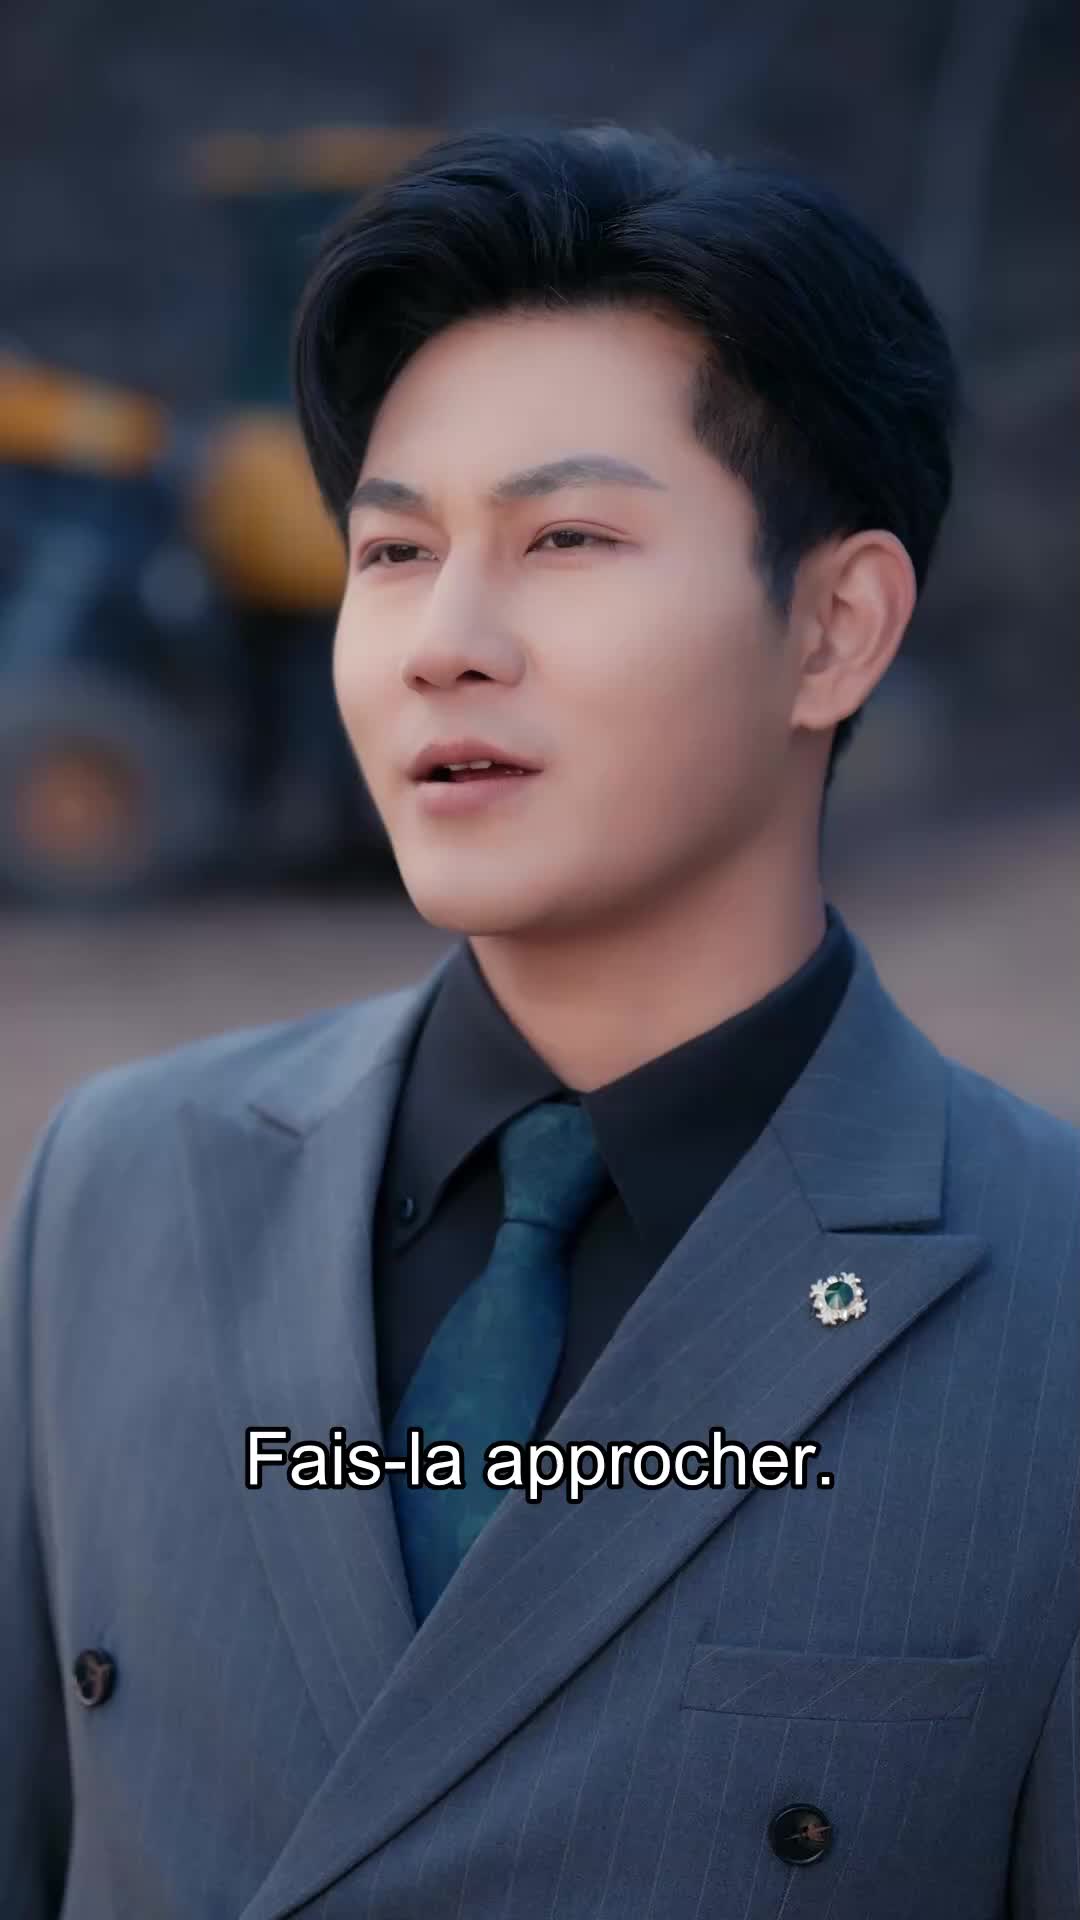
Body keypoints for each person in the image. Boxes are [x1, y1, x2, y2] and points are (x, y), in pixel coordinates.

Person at [2, 118, 1076, 1920]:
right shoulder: (114, 1190)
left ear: (835, 629)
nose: (444, 639)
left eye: (567, 535)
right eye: (393, 551)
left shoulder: (1051, 1299)